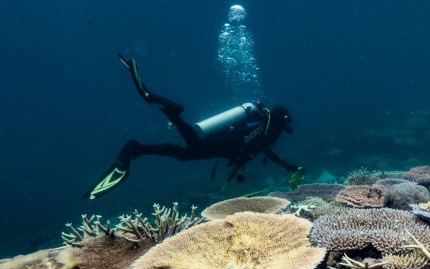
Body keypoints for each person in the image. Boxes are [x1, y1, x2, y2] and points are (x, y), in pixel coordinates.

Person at [84, 54, 304, 200]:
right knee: (192, 145)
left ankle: (138, 149)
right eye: (286, 123)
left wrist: (288, 167)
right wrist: (288, 166)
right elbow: (263, 147)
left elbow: (263, 149)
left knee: (185, 154)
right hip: (227, 145)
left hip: (225, 145)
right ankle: (171, 112)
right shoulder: (272, 127)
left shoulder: (264, 124)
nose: (286, 128)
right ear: (282, 118)